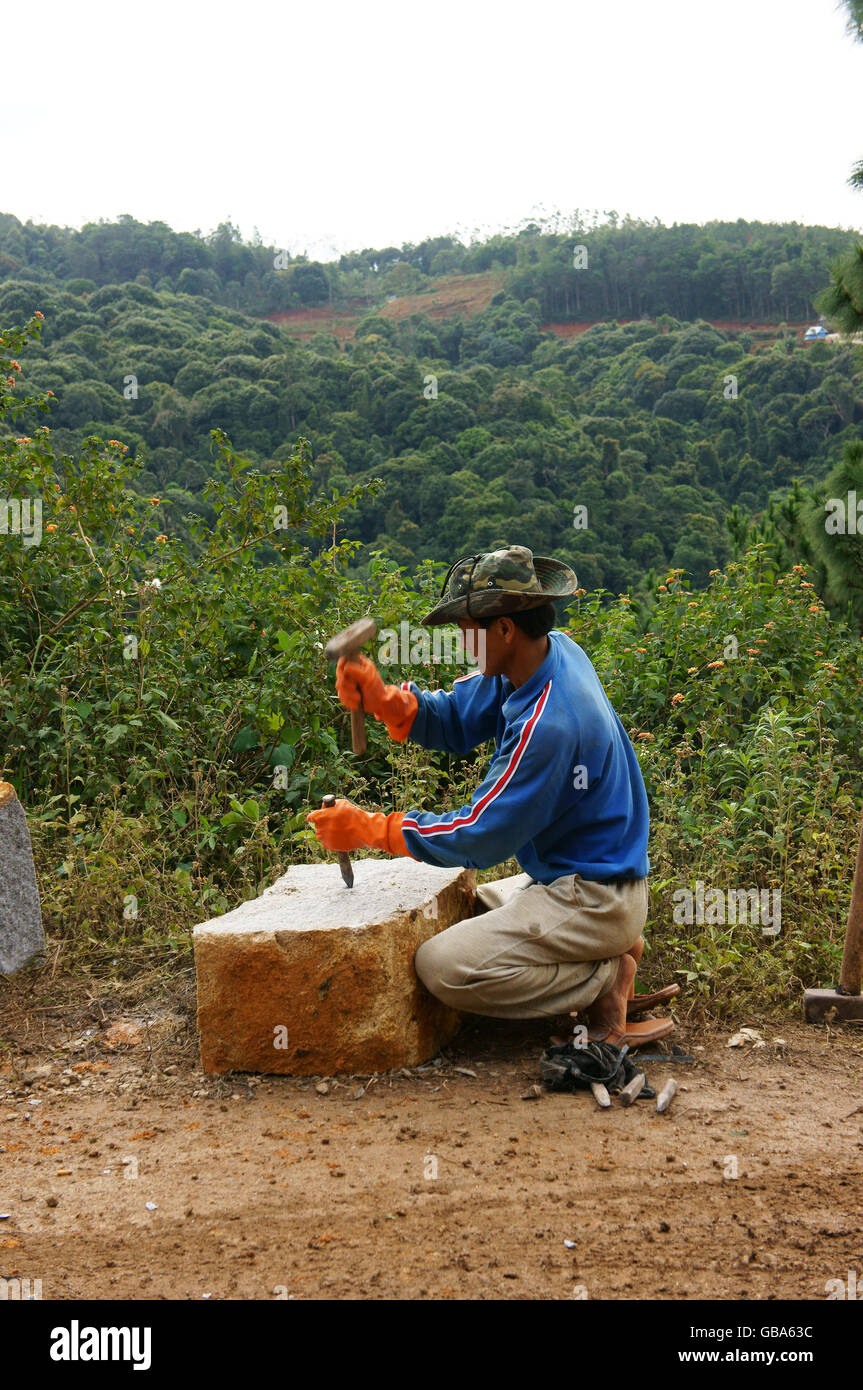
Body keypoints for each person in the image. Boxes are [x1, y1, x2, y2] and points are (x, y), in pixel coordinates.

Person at [307, 545, 675, 1047]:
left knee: (442, 967)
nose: (461, 640)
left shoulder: (550, 723)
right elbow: (457, 718)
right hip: (572, 877)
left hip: (595, 895)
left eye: (466, 628)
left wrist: (372, 828)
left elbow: (480, 834)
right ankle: (602, 950)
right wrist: (384, 699)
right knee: (468, 908)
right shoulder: (547, 653)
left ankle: (604, 977)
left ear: (503, 629)